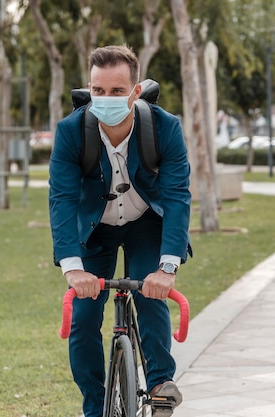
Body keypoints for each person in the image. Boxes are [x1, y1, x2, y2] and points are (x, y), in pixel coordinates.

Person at [48, 45, 192, 417]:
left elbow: (177, 197)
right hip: (96, 229)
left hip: (146, 222)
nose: (106, 99)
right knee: (83, 319)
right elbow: (62, 199)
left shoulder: (165, 127)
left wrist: (168, 268)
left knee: (151, 292)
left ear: (135, 91)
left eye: (116, 91)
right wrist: (72, 267)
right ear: (89, 89)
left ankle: (161, 384)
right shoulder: (70, 132)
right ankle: (95, 408)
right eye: (98, 91)